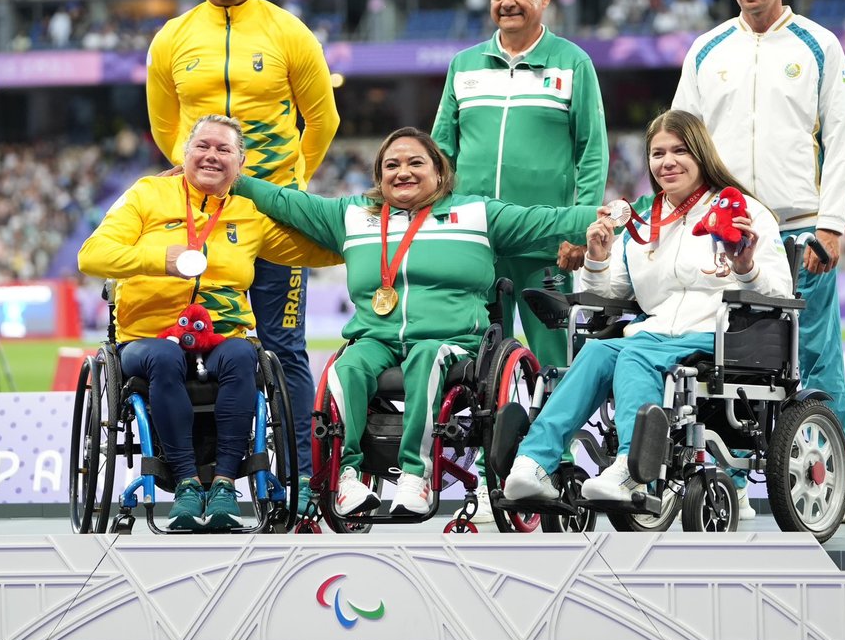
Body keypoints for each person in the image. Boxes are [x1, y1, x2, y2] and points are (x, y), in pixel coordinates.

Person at [232, 127, 598, 518]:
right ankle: (349, 477)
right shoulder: (352, 215)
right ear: (379, 176)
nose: (402, 172)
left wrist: (622, 212)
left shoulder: (477, 214)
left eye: (415, 163)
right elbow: (283, 201)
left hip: (451, 341)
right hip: (377, 340)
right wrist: (231, 180)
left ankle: (415, 474)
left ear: (439, 172)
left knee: (426, 355)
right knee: (346, 366)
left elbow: (551, 221)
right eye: (392, 165)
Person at [669, 0, 845, 524]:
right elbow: (680, 140)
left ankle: (836, 485)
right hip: (724, 235)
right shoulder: (706, 49)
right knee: (724, 364)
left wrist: (831, 225)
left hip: (799, 230)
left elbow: (841, 137)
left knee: (817, 359)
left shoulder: (819, 44)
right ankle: (727, 484)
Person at [146, 0, 340, 513]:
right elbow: (164, 128)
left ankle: (303, 478)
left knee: (285, 346)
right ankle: (206, 473)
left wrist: (286, 188)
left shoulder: (288, 32)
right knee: (204, 344)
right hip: (202, 220)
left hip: (276, 214)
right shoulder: (173, 38)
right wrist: (203, 181)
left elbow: (322, 120)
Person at [505, 110, 792, 503]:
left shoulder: (744, 211)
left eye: (679, 151)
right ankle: (532, 463)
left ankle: (631, 470)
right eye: (657, 154)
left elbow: (780, 293)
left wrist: (746, 267)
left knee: (634, 355)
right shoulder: (645, 221)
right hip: (657, 333)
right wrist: (598, 258)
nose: (667, 162)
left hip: (723, 336)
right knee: (596, 353)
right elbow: (606, 297)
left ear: (701, 154)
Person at [79, 115, 341, 530]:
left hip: (222, 338)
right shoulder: (147, 194)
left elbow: (311, 251)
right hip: (148, 338)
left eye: (223, 150)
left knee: (242, 355)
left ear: (241, 164)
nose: (211, 156)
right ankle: (185, 483)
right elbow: (91, 255)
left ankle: (223, 484)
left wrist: (371, 239)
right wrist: (159, 260)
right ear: (184, 153)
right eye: (202, 146)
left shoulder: (249, 214)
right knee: (164, 358)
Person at [432, 0, 608, 521]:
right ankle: (486, 483)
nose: (507, 1)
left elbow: (591, 151)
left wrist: (579, 225)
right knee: (480, 367)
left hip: (544, 243)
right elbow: (442, 153)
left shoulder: (573, 64)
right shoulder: (463, 65)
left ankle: (550, 473)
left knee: (556, 365)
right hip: (476, 244)